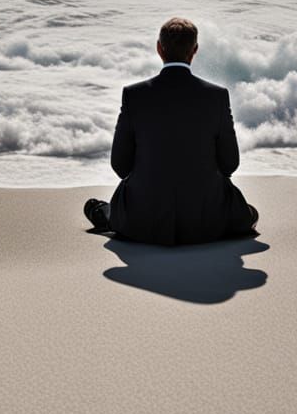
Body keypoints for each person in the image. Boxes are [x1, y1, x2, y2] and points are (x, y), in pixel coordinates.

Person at [83, 17, 258, 246]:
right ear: (194, 50)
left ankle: (106, 214)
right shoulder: (217, 96)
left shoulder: (134, 95)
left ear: (159, 48)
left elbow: (120, 166)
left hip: (145, 222)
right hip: (205, 223)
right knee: (249, 213)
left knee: (104, 208)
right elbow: (229, 164)